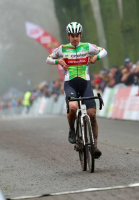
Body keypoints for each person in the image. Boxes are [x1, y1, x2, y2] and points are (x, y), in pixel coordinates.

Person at [46, 22, 107, 158]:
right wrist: (58, 61)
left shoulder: (87, 46)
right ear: (68, 35)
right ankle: (72, 129)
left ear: (81, 35)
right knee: (73, 107)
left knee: (92, 114)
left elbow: (104, 51)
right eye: (72, 35)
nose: (75, 38)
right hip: (70, 84)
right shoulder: (62, 48)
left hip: (85, 83)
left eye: (77, 35)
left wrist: (96, 56)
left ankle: (94, 146)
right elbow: (48, 59)